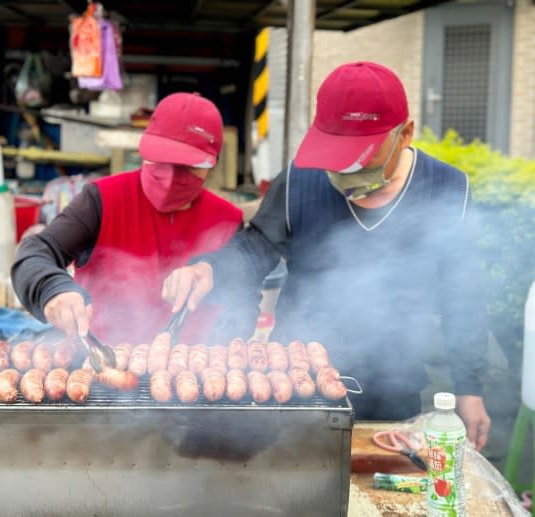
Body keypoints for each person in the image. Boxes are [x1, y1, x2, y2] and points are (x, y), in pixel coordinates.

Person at [162, 62, 491, 451]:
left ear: (404, 135)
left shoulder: (446, 191)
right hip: (296, 382)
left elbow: (463, 297)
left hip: (394, 389)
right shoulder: (302, 178)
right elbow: (255, 248)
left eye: (360, 157)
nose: (343, 169)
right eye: (337, 154)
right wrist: (209, 269)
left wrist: (470, 388)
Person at [12, 92, 243, 345]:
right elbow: (37, 251)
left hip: (193, 375)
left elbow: (245, 296)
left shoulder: (228, 223)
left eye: (188, 166)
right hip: (98, 368)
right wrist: (52, 289)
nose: (170, 177)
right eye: (161, 160)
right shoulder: (102, 200)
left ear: (213, 164)